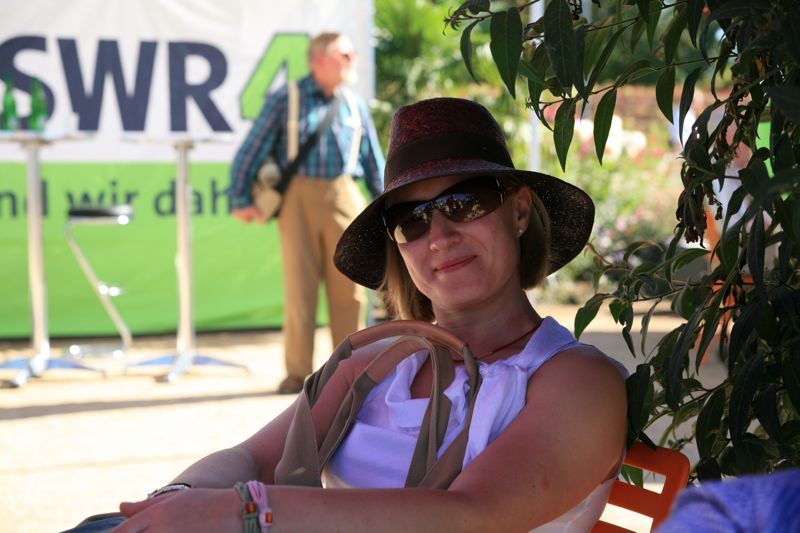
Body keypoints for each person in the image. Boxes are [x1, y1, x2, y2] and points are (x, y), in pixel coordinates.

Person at [65, 97, 627, 532]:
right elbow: (252, 458)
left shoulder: (577, 380)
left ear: (520, 210)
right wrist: (176, 502)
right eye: (412, 220)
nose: (440, 236)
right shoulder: (378, 364)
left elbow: (471, 514)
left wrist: (249, 513)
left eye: (465, 202)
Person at [228, 32, 385, 394]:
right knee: (299, 289)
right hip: (297, 198)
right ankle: (297, 373)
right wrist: (240, 198)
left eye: (352, 54)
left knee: (351, 290)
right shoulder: (287, 98)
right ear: (318, 61)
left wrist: (388, 205)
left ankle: (350, 372)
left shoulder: (354, 104)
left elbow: (373, 161)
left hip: (345, 194)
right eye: (344, 54)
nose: (352, 60)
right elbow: (252, 149)